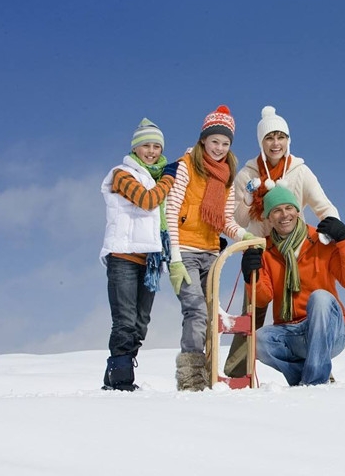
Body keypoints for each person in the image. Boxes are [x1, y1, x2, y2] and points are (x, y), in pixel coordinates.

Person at [226, 105, 339, 377]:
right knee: (253, 310)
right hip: (260, 251)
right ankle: (237, 373)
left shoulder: (300, 172)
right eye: (269, 138)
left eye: (281, 137)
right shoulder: (247, 174)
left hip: (292, 251)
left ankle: (317, 367)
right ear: (261, 142)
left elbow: (325, 208)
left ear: (288, 140)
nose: (275, 143)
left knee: (300, 314)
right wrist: (248, 200)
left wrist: (328, 235)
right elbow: (237, 219)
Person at [165, 104, 254, 391]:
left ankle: (207, 373)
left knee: (210, 314)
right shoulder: (185, 167)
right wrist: (174, 258)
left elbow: (225, 219)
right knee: (196, 311)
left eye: (225, 143)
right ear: (203, 140)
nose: (219, 148)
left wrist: (244, 235)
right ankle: (190, 377)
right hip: (185, 252)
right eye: (214, 141)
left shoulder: (226, 174)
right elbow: (170, 211)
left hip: (211, 253)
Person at [240, 186, 345, 386]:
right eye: (276, 210)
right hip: (291, 331)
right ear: (269, 218)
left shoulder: (321, 241)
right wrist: (251, 276)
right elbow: (263, 299)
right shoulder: (265, 249)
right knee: (258, 341)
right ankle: (308, 377)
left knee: (320, 298)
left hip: (329, 331)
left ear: (298, 211)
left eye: (289, 208)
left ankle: (315, 382)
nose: (284, 215)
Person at [99, 118, 178, 391]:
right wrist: (168, 178)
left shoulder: (157, 177)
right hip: (123, 257)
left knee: (140, 323)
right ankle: (122, 380)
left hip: (150, 261)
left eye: (157, 146)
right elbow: (147, 200)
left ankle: (115, 374)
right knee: (124, 321)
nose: (152, 151)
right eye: (146, 146)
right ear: (135, 148)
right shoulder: (122, 174)